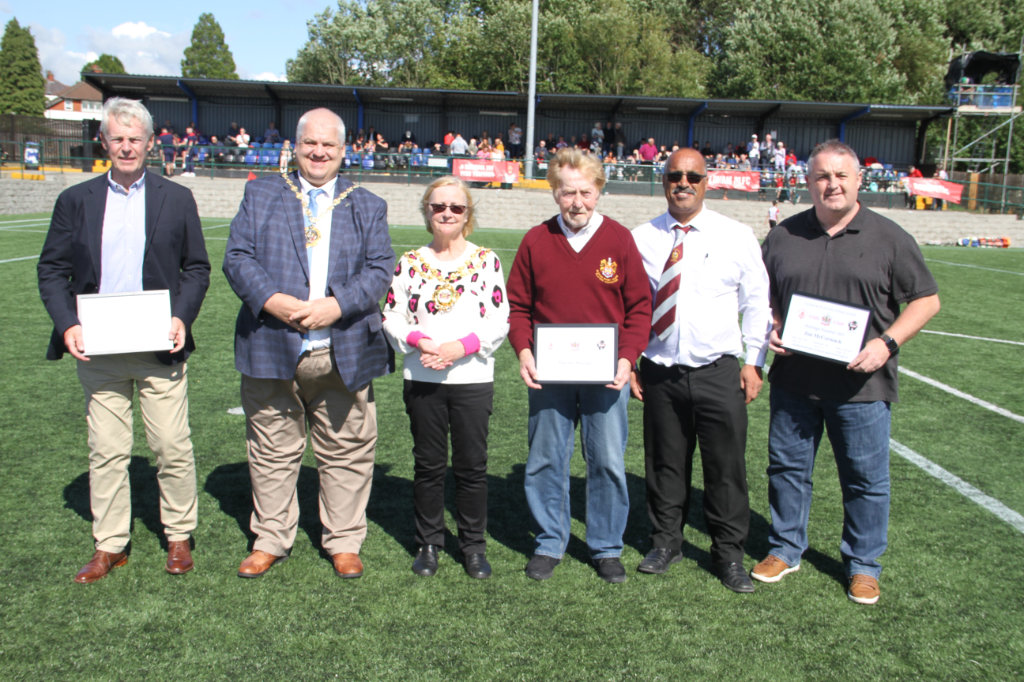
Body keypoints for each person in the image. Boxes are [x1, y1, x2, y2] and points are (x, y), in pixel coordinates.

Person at [755, 139, 940, 605]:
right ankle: (784, 548)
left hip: (861, 385)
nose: (831, 184)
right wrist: (770, 324)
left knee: (864, 478)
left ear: (859, 180)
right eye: (822, 176)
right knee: (787, 469)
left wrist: (887, 343)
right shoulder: (783, 235)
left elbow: (926, 300)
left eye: (841, 175)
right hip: (795, 382)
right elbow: (760, 297)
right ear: (808, 182)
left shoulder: (889, 237)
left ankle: (863, 564)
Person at [37, 97, 211, 583]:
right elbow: (52, 269)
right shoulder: (77, 200)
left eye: (135, 138)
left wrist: (182, 317)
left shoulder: (176, 198)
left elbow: (196, 268)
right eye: (118, 138)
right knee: (107, 450)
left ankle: (178, 535)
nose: (127, 146)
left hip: (160, 345)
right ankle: (110, 544)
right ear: (104, 141)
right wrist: (67, 323)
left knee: (171, 445)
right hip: (100, 347)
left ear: (151, 143)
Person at [223, 107, 395, 580]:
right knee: (272, 448)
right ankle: (271, 539)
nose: (318, 152)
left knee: (347, 449)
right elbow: (237, 257)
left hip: (342, 348)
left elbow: (380, 268)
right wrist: (272, 301)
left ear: (344, 151)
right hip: (271, 343)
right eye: (309, 143)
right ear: (295, 146)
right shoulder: (261, 194)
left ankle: (343, 540)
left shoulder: (368, 204)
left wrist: (336, 307)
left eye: (329, 145)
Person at [506, 148, 652, 583]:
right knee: (546, 458)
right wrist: (524, 350)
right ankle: (550, 540)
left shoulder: (620, 240)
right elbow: (517, 307)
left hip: (607, 376)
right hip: (550, 374)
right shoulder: (536, 240)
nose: (577, 202)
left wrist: (627, 359)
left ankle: (606, 546)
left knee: (606, 460)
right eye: (568, 192)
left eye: (585, 192)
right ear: (554, 193)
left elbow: (639, 308)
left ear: (599, 191)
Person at [629, 149, 771, 593]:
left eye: (692, 175)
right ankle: (665, 542)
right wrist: (630, 360)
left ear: (707, 182)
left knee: (725, 468)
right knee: (664, 464)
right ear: (664, 180)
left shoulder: (736, 235)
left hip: (718, 370)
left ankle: (728, 554)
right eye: (675, 175)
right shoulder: (641, 238)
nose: (683, 183)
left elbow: (756, 302)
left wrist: (755, 362)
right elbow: (629, 308)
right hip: (659, 370)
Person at [382, 177, 509, 579]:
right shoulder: (409, 262)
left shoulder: (486, 260)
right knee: (429, 466)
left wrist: (462, 346)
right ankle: (429, 543)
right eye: (439, 207)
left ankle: (473, 546)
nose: (447, 214)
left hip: (472, 377)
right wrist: (419, 339)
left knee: (472, 467)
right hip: (423, 377)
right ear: (427, 211)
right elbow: (391, 315)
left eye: (456, 207)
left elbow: (500, 319)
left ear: (467, 214)